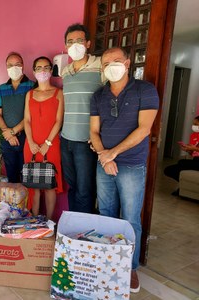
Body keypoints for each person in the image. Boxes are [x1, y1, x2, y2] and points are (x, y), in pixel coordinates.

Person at [90, 47, 159, 293]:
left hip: (131, 164)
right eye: (106, 63)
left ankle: (129, 268)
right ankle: (110, 262)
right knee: (107, 213)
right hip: (104, 163)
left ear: (127, 63)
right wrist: (104, 156)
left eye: (116, 61)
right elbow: (94, 132)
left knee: (130, 218)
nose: (111, 66)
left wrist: (113, 153)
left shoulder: (145, 90)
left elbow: (144, 129)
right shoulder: (98, 96)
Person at [60, 23, 103, 213]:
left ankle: (83, 233)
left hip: (86, 141)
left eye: (79, 40)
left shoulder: (100, 66)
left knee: (85, 191)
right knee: (73, 187)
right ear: (65, 47)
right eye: (70, 42)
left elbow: (109, 100)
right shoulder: (65, 72)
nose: (74, 45)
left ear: (88, 43)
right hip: (66, 139)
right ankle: (72, 227)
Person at [24, 56, 64, 220]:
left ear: (51, 70)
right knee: (33, 185)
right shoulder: (29, 94)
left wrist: (47, 143)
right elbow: (26, 120)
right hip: (31, 144)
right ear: (33, 72)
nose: (42, 71)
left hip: (51, 144)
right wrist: (31, 142)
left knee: (49, 185)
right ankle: (34, 220)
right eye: (39, 68)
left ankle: (48, 221)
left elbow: (58, 121)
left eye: (46, 67)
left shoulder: (58, 93)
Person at [0, 52, 35, 183]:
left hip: (27, 137)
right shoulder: (1, 89)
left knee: (27, 176)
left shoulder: (33, 86)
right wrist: (8, 133)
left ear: (23, 65)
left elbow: (31, 114)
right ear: (6, 67)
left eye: (17, 64)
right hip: (7, 137)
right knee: (11, 177)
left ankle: (26, 204)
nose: (14, 68)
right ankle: (14, 204)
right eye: (10, 65)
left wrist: (14, 131)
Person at [164, 115, 199, 195]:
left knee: (182, 162)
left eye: (196, 124)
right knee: (169, 169)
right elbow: (193, 153)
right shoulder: (194, 136)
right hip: (196, 160)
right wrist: (188, 150)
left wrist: (194, 149)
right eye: (194, 124)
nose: (194, 126)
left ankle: (182, 188)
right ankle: (183, 185)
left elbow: (196, 149)